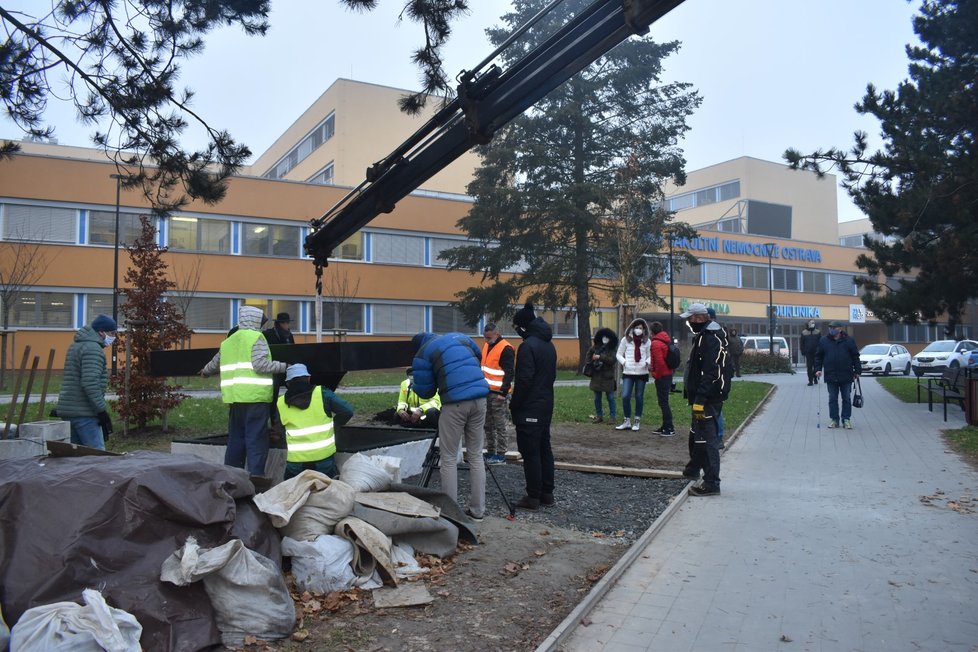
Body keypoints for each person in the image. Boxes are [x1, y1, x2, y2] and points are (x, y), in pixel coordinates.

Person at [412, 330, 489, 521]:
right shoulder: (460, 337)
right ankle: (478, 510)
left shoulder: (423, 353)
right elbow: (477, 356)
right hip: (480, 399)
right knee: (476, 454)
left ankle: (450, 513)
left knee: (447, 457)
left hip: (455, 404)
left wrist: (417, 385)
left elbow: (426, 392)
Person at [200, 305, 287, 476]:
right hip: (255, 398)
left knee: (236, 439)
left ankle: (232, 476)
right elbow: (261, 365)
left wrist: (205, 371)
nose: (262, 325)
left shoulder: (229, 340)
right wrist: (286, 367)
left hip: (235, 398)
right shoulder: (257, 337)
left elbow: (216, 361)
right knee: (256, 439)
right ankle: (255, 478)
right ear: (255, 321)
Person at [509, 302, 557, 510]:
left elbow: (524, 380)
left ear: (523, 326)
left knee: (530, 452)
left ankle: (533, 496)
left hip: (529, 406)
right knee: (544, 448)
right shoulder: (548, 344)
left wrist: (515, 404)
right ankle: (547, 492)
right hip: (545, 403)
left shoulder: (528, 346)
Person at [680, 302, 730, 496]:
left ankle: (711, 483)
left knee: (706, 439)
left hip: (707, 397)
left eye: (690, 319)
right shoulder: (704, 336)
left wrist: (700, 397)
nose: (688, 323)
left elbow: (711, 371)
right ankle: (693, 468)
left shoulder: (710, 338)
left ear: (700, 318)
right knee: (697, 433)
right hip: (703, 396)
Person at [278, 363, 353, 480]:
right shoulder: (322, 394)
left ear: (288, 383)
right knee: (329, 487)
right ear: (308, 378)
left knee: (291, 490)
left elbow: (279, 428)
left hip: (296, 464)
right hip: (323, 461)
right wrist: (333, 426)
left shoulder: (281, 403)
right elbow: (347, 411)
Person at [57, 314, 117, 450]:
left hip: (69, 411)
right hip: (85, 413)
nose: (113, 337)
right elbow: (90, 383)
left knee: (74, 456)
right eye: (112, 333)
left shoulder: (76, 346)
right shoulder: (93, 349)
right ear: (101, 332)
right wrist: (101, 411)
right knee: (96, 456)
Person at [814, 320, 861, 429]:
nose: (831, 329)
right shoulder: (824, 341)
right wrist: (818, 369)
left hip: (846, 374)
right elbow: (818, 356)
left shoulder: (849, 341)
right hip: (831, 374)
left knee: (846, 398)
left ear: (840, 329)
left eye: (834, 327)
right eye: (830, 327)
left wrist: (857, 371)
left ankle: (846, 419)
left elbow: (855, 356)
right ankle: (834, 419)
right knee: (832, 399)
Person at [481, 323, 515, 465]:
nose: (487, 339)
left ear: (497, 333)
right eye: (485, 337)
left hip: (498, 393)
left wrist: (503, 392)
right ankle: (490, 452)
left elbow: (509, 373)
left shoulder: (505, 349)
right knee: (488, 424)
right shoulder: (487, 346)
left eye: (489, 337)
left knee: (500, 424)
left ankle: (501, 454)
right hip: (486, 391)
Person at [615, 318, 651, 431]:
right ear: (632, 328)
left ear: (644, 329)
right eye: (636, 327)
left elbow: (650, 356)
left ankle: (637, 421)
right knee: (625, 395)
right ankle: (626, 421)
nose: (638, 330)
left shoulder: (647, 341)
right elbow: (619, 354)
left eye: (640, 328)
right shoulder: (625, 340)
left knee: (639, 396)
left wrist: (647, 362)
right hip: (628, 372)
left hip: (642, 372)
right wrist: (624, 362)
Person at [263, 312, 295, 430]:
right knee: (273, 396)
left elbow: (292, 349)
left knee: (295, 390)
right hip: (273, 369)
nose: (287, 326)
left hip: (287, 368)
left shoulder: (289, 335)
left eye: (288, 323)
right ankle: (274, 421)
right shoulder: (268, 334)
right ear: (280, 323)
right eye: (285, 323)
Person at [586, 327, 618, 424]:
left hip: (608, 376)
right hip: (597, 375)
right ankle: (599, 416)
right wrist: (591, 361)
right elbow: (588, 355)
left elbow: (612, 360)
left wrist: (600, 357)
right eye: (603, 337)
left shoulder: (612, 348)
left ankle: (612, 417)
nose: (605, 339)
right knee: (597, 398)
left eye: (607, 337)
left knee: (611, 397)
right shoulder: (595, 347)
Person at [648, 322, 675, 436]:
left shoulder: (655, 343)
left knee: (663, 403)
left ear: (652, 331)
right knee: (663, 402)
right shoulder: (665, 340)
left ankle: (669, 427)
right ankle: (665, 426)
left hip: (662, 376)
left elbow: (659, 362)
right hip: (668, 374)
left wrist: (655, 374)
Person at [800, 319, 822, 386]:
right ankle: (810, 381)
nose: (812, 324)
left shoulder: (818, 332)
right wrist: (803, 351)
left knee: (816, 367)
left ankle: (815, 378)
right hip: (808, 353)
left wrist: (821, 351)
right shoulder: (804, 332)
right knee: (809, 367)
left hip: (816, 353)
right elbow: (802, 343)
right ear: (808, 324)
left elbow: (820, 343)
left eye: (813, 323)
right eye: (811, 323)